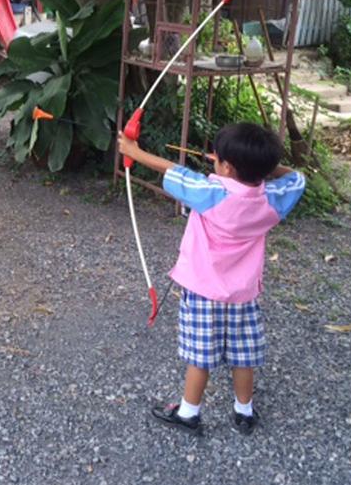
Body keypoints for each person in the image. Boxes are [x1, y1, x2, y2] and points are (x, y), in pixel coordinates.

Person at [117, 122, 306, 435]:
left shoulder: (210, 192)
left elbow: (173, 171)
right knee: (243, 354)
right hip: (243, 294)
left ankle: (189, 413)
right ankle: (244, 411)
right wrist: (255, 167)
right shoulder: (272, 200)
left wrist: (133, 152)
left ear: (227, 167)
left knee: (200, 356)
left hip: (205, 291)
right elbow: (296, 177)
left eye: (220, 160)